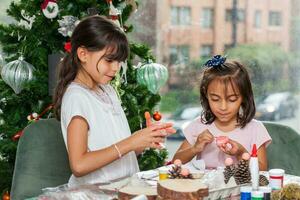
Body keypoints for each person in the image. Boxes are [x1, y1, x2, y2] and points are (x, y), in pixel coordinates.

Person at [53, 15, 175, 187]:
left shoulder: (107, 90)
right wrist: (130, 142)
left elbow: (119, 151)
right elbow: (79, 165)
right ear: (83, 54)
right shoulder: (76, 98)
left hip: (124, 189)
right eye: (109, 60)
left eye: (119, 61)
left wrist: (143, 140)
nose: (116, 68)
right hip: (95, 194)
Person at [172, 55, 271, 170]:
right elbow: (175, 161)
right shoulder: (198, 126)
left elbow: (263, 171)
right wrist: (195, 148)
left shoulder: (255, 129)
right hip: (207, 188)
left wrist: (240, 153)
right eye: (215, 99)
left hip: (242, 188)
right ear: (206, 95)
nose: (223, 107)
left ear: (243, 97)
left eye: (232, 99)